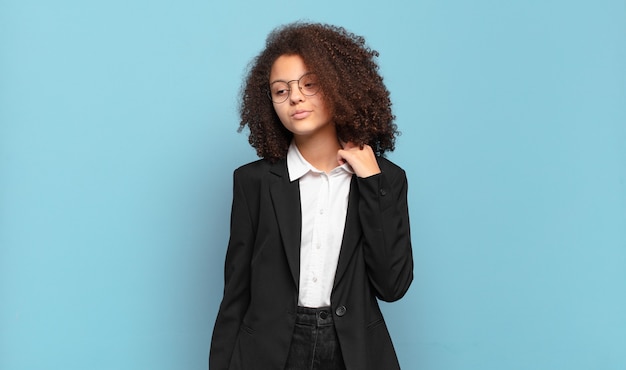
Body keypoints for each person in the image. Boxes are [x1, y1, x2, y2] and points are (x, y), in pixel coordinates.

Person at [209, 22, 413, 370]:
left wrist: (370, 182)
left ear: (340, 86)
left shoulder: (384, 180)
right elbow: (236, 293)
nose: (296, 98)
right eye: (280, 91)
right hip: (268, 352)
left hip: (353, 352)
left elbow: (392, 286)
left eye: (310, 84)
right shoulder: (253, 182)